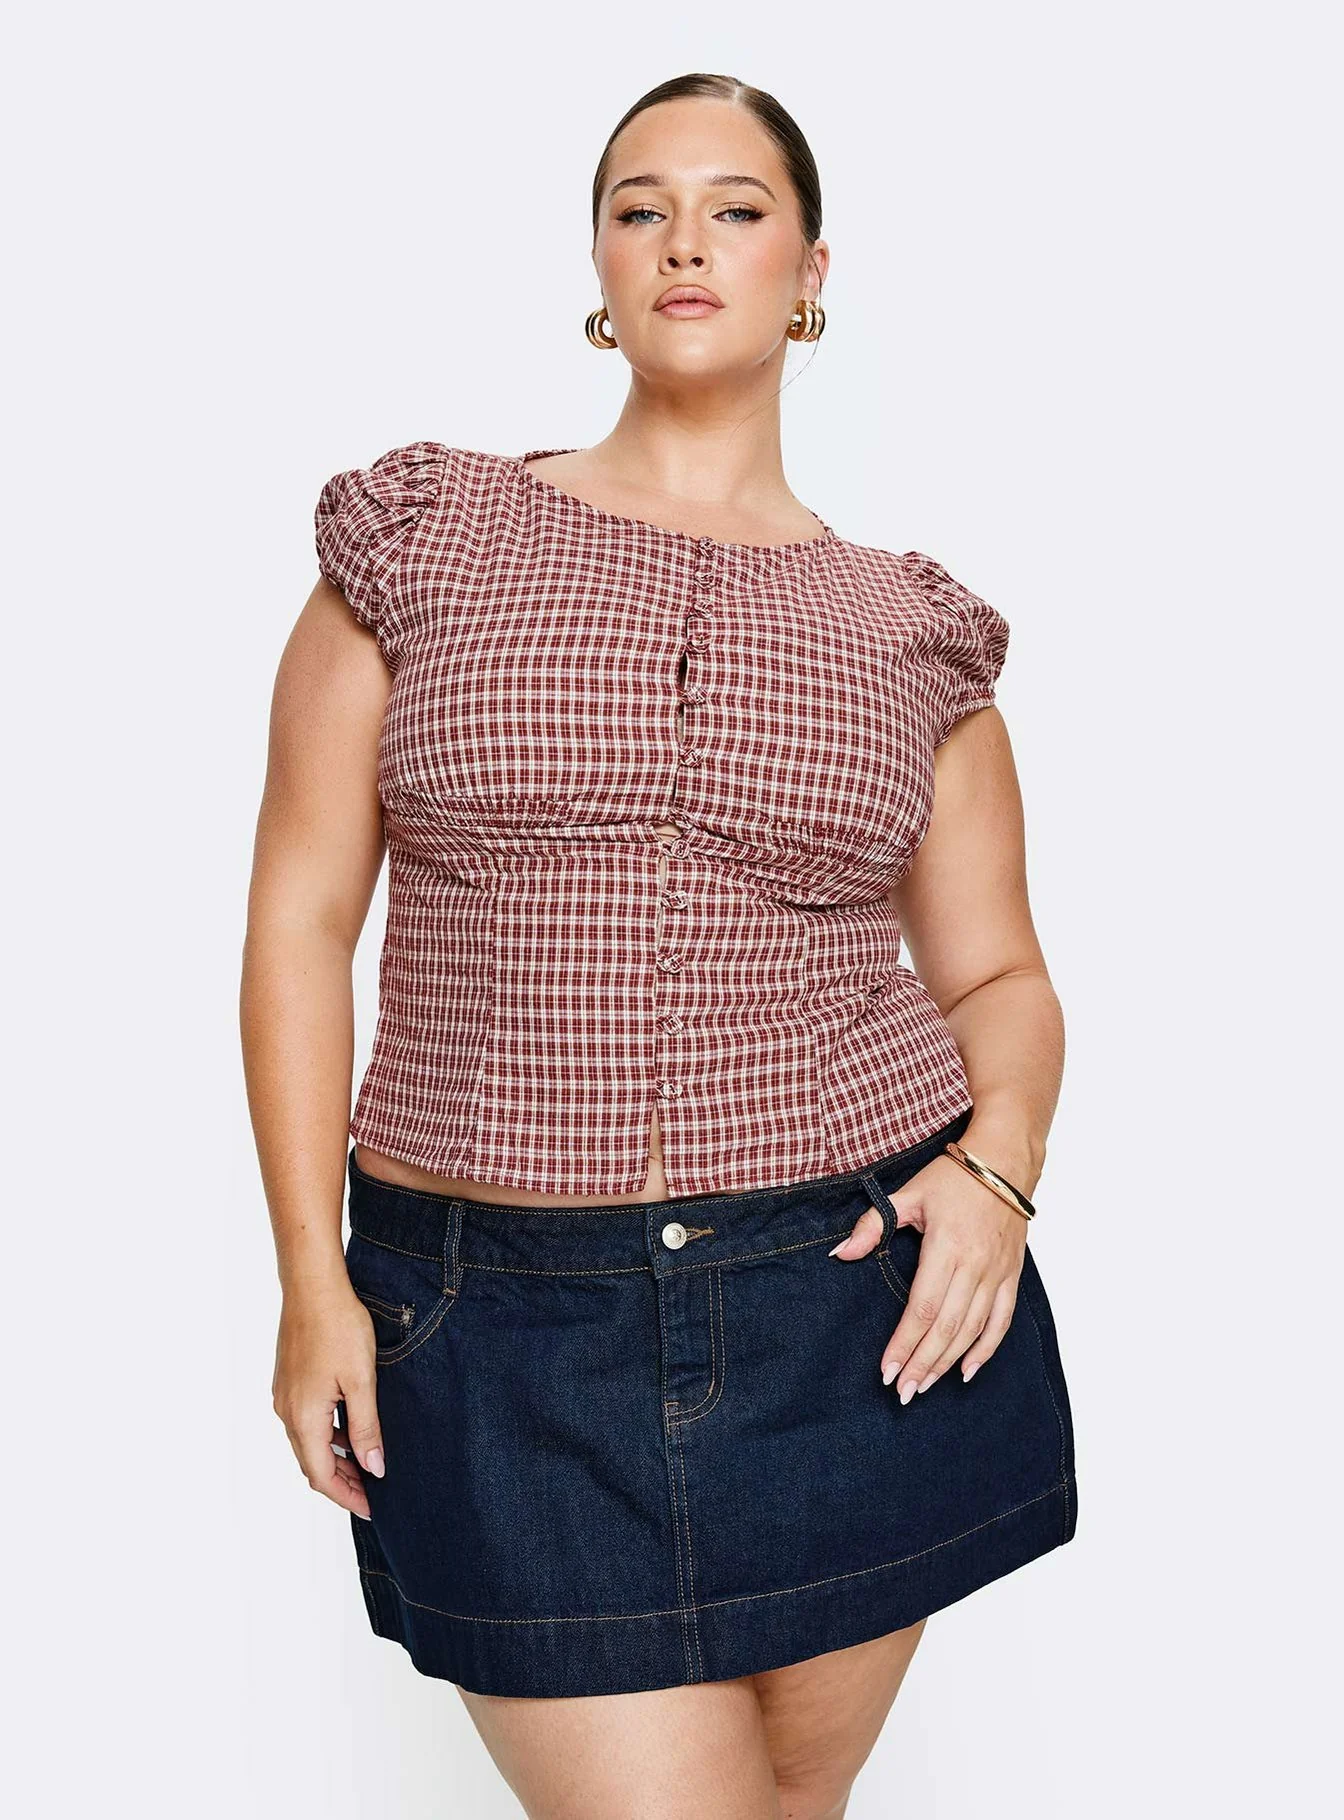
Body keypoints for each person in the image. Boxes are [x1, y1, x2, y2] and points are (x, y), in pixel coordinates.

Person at [242, 69, 1077, 1820]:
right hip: (496, 1322)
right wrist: (313, 1280)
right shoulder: (427, 538)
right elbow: (303, 920)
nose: (685, 240)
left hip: (843, 1311)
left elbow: (1000, 975)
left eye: (736, 208)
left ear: (810, 272)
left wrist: (998, 1175)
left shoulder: (911, 630)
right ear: (602, 267)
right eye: (642, 207)